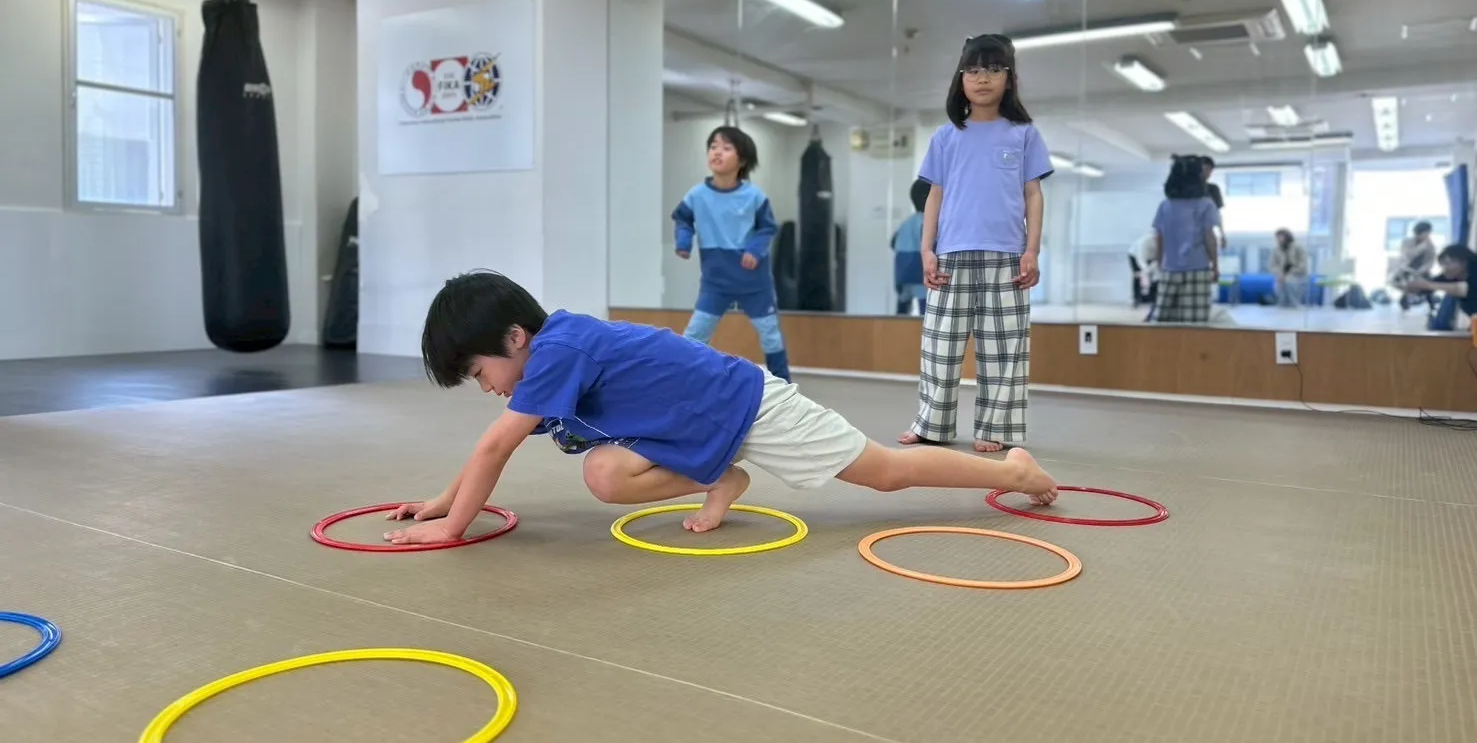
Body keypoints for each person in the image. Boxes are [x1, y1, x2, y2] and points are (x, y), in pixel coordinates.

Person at [382, 271, 1059, 545]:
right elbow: (494, 444)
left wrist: (450, 531)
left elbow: (494, 447)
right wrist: (441, 502)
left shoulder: (559, 349)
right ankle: (723, 475)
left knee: (884, 472)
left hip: (747, 404)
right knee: (605, 474)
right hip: (696, 425)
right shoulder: (543, 365)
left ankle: (1013, 471)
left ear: (515, 339)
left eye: (479, 372)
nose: (486, 388)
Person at [899, 34, 1052, 454]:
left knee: (1004, 350)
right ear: (961, 78)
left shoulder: (1024, 134)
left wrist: (1032, 250)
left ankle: (995, 427)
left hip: (1007, 257)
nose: (982, 79)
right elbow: (934, 197)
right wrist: (927, 250)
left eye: (993, 70)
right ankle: (931, 424)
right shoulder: (945, 137)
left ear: (1009, 78)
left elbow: (1033, 195)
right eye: (973, 70)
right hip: (951, 255)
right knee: (940, 346)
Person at [672, 126, 790, 381]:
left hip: (754, 282)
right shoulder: (696, 195)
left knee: (770, 335)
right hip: (715, 281)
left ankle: (783, 384)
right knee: (695, 334)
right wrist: (683, 242)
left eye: (726, 148)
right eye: (713, 147)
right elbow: (683, 219)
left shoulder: (754, 196)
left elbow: (767, 228)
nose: (717, 152)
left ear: (742, 160)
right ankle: (681, 380)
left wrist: (755, 250)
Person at [1151, 156, 1221, 323]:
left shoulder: (1165, 205)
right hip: (1198, 269)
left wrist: (1159, 263)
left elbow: (1159, 237)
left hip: (1169, 268)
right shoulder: (1206, 204)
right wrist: (1215, 265)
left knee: (1163, 321)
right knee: (1194, 323)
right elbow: (1209, 238)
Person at [1403, 244, 1475, 327]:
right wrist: (1414, 287)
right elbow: (1429, 286)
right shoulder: (1450, 275)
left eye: (1448, 263)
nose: (1445, 268)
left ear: (1463, 262)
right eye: (1442, 265)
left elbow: (1467, 289)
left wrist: (1427, 285)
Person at [891, 178, 931, 315]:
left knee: (903, 305)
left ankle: (895, 326)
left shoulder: (907, 222)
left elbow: (893, 242)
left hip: (902, 268)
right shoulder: (928, 221)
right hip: (918, 268)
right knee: (925, 308)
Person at [1392, 221, 1438, 311]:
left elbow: (1431, 260)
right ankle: (1404, 300)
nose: (1428, 235)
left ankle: (1431, 305)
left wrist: (1422, 270)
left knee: (1429, 284)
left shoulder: (1430, 245)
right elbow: (1408, 255)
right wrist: (1422, 247)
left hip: (1422, 270)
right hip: (1406, 269)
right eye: (1427, 232)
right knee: (1408, 280)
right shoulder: (1407, 242)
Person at [1271, 228, 1310, 309]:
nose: (1278, 239)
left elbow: (1303, 264)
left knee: (1290, 282)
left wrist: (1289, 273)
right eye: (1277, 237)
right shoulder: (1276, 250)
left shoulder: (1298, 247)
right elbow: (1273, 265)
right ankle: (1282, 305)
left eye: (1280, 237)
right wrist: (1280, 274)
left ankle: (1294, 305)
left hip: (1298, 275)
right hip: (1282, 275)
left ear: (1287, 236)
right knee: (1279, 285)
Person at [1129, 231, 1159, 307]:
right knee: (1138, 275)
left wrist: (1150, 270)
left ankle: (1152, 297)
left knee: (1154, 276)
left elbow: (1158, 261)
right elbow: (1141, 260)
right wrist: (1145, 271)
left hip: (1152, 257)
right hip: (1135, 255)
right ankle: (1136, 298)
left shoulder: (1166, 243)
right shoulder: (1145, 242)